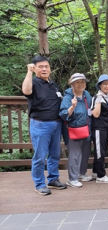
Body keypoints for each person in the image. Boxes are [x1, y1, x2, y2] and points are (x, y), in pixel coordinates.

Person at [22, 56, 67, 195]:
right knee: (40, 156)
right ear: (35, 68)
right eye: (40, 67)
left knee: (54, 155)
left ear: (50, 68)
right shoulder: (33, 82)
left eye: (46, 66)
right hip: (40, 125)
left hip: (56, 124)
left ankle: (53, 180)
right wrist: (29, 72)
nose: (44, 69)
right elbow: (26, 91)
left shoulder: (53, 85)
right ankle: (39, 184)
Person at [59, 73, 92, 188]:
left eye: (82, 82)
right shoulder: (68, 97)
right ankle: (72, 178)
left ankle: (81, 173)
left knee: (85, 153)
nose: (80, 84)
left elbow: (91, 109)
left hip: (86, 129)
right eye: (77, 82)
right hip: (73, 130)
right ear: (72, 84)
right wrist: (72, 107)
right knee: (75, 154)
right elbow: (63, 114)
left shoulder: (87, 95)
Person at [90, 74, 108, 184]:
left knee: (101, 150)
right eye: (104, 84)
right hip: (99, 128)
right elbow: (95, 114)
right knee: (100, 152)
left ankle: (96, 172)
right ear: (100, 85)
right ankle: (101, 176)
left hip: (106, 128)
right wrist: (99, 102)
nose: (107, 86)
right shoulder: (97, 97)